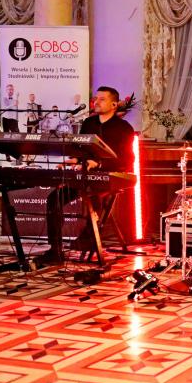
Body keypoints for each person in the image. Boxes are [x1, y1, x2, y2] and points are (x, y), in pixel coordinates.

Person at [45, 86, 135, 262]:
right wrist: (75, 160)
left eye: (102, 99)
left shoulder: (124, 128)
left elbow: (127, 159)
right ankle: (55, 248)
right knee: (54, 199)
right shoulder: (89, 123)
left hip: (108, 175)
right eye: (96, 98)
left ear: (114, 104)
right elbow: (82, 150)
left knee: (93, 196)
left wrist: (99, 163)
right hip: (84, 175)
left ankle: (88, 238)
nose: (96, 102)